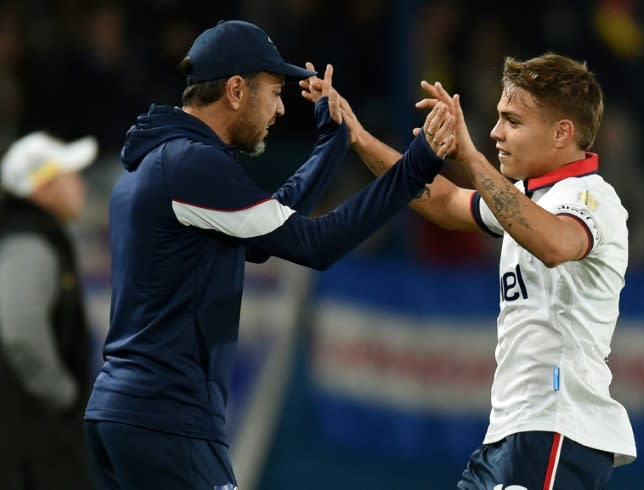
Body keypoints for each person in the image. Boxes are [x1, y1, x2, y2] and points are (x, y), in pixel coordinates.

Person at [83, 19, 453, 489]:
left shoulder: (160, 161)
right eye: (274, 92)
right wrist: (414, 167)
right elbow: (315, 244)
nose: (280, 109)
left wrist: (330, 144)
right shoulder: (191, 165)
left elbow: (265, 234)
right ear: (236, 90)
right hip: (167, 419)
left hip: (124, 417)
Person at [325, 53, 636, 489]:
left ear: (562, 132)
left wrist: (471, 158)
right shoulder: (531, 198)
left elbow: (555, 244)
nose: (495, 133)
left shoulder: (591, 197)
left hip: (558, 424)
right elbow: (443, 201)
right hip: (514, 428)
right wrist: (358, 137)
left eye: (512, 120)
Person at [0, 131, 98, 489]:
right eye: (69, 175)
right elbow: (19, 330)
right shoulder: (30, 244)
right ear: (41, 190)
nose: (80, 185)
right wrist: (63, 394)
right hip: (29, 446)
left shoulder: (30, 236)